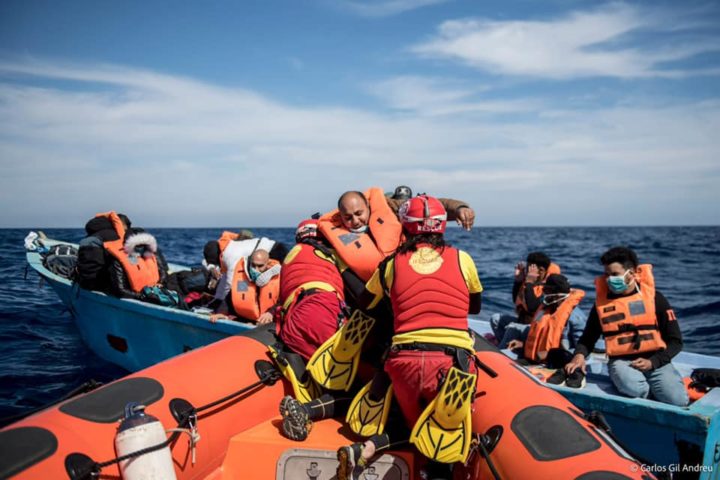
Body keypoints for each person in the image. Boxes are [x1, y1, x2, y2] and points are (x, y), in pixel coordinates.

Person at [335, 195, 483, 480]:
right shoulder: (462, 259)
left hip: (403, 362)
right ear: (442, 226)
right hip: (454, 364)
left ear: (405, 226)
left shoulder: (391, 264)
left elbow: (365, 303)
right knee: (442, 438)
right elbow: (473, 306)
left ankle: (367, 449)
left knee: (409, 421)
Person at [564, 247, 688, 406]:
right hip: (622, 361)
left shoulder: (655, 298)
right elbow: (588, 337)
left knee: (677, 400)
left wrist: (653, 362)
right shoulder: (601, 305)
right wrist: (579, 355)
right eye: (606, 275)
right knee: (634, 389)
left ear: (631, 273)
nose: (609, 279)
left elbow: (676, 341)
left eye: (615, 274)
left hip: (655, 359)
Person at [317, 187, 475, 284]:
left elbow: (426, 207)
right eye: (348, 217)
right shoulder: (331, 229)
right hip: (368, 291)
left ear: (368, 205)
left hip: (404, 275)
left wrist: (459, 208)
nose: (355, 221)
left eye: (359, 213)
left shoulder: (389, 206)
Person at [506, 274, 587, 386]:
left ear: (557, 295)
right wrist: (523, 344)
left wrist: (550, 354)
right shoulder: (544, 309)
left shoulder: (575, 317)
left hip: (556, 364)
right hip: (534, 361)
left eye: (547, 291)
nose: (544, 294)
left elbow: (582, 351)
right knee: (504, 362)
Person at [490, 252, 561, 348]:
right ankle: (507, 346)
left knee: (512, 328)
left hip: (535, 330)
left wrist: (529, 283)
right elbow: (516, 300)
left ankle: (503, 351)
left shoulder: (549, 288)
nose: (527, 271)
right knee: (496, 319)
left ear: (541, 270)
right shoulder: (530, 282)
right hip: (522, 323)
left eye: (530, 269)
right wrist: (518, 282)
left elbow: (532, 307)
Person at [92, 211, 169, 300]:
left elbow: (120, 289)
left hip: (142, 291)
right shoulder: (145, 250)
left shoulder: (118, 252)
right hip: (150, 290)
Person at [212, 248, 281, 324]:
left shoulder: (278, 279)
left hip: (269, 321)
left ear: (267, 265)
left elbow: (284, 301)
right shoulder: (243, 278)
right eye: (253, 265)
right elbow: (230, 298)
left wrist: (271, 313)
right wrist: (221, 312)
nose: (256, 269)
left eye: (260, 266)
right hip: (246, 319)